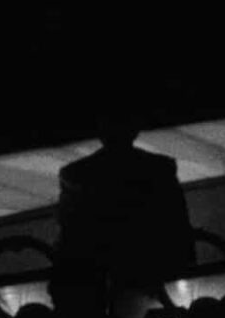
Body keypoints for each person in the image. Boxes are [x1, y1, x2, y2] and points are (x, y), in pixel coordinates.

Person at [55, 121, 193, 290]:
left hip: (96, 278)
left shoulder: (75, 175)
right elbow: (178, 225)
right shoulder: (160, 168)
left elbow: (68, 233)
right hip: (152, 272)